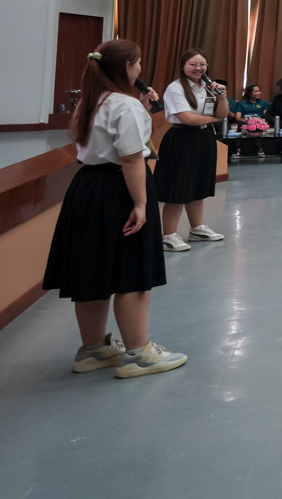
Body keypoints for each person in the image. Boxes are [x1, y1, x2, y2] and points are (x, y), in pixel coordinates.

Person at [43, 39, 187, 378]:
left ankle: (93, 350)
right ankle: (139, 354)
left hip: (87, 188)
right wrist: (140, 203)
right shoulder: (125, 106)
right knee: (133, 271)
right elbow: (131, 158)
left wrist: (141, 107)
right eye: (138, 63)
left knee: (92, 270)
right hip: (119, 190)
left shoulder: (91, 101)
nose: (140, 68)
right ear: (126, 67)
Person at [154, 48, 228, 253]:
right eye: (193, 64)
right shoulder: (175, 88)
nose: (198, 68)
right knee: (178, 187)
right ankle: (168, 235)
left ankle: (197, 228)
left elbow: (223, 113)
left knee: (198, 184)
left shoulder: (208, 87)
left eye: (202, 64)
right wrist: (214, 118)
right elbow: (187, 118)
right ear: (183, 66)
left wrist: (222, 97)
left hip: (204, 138)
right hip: (182, 138)